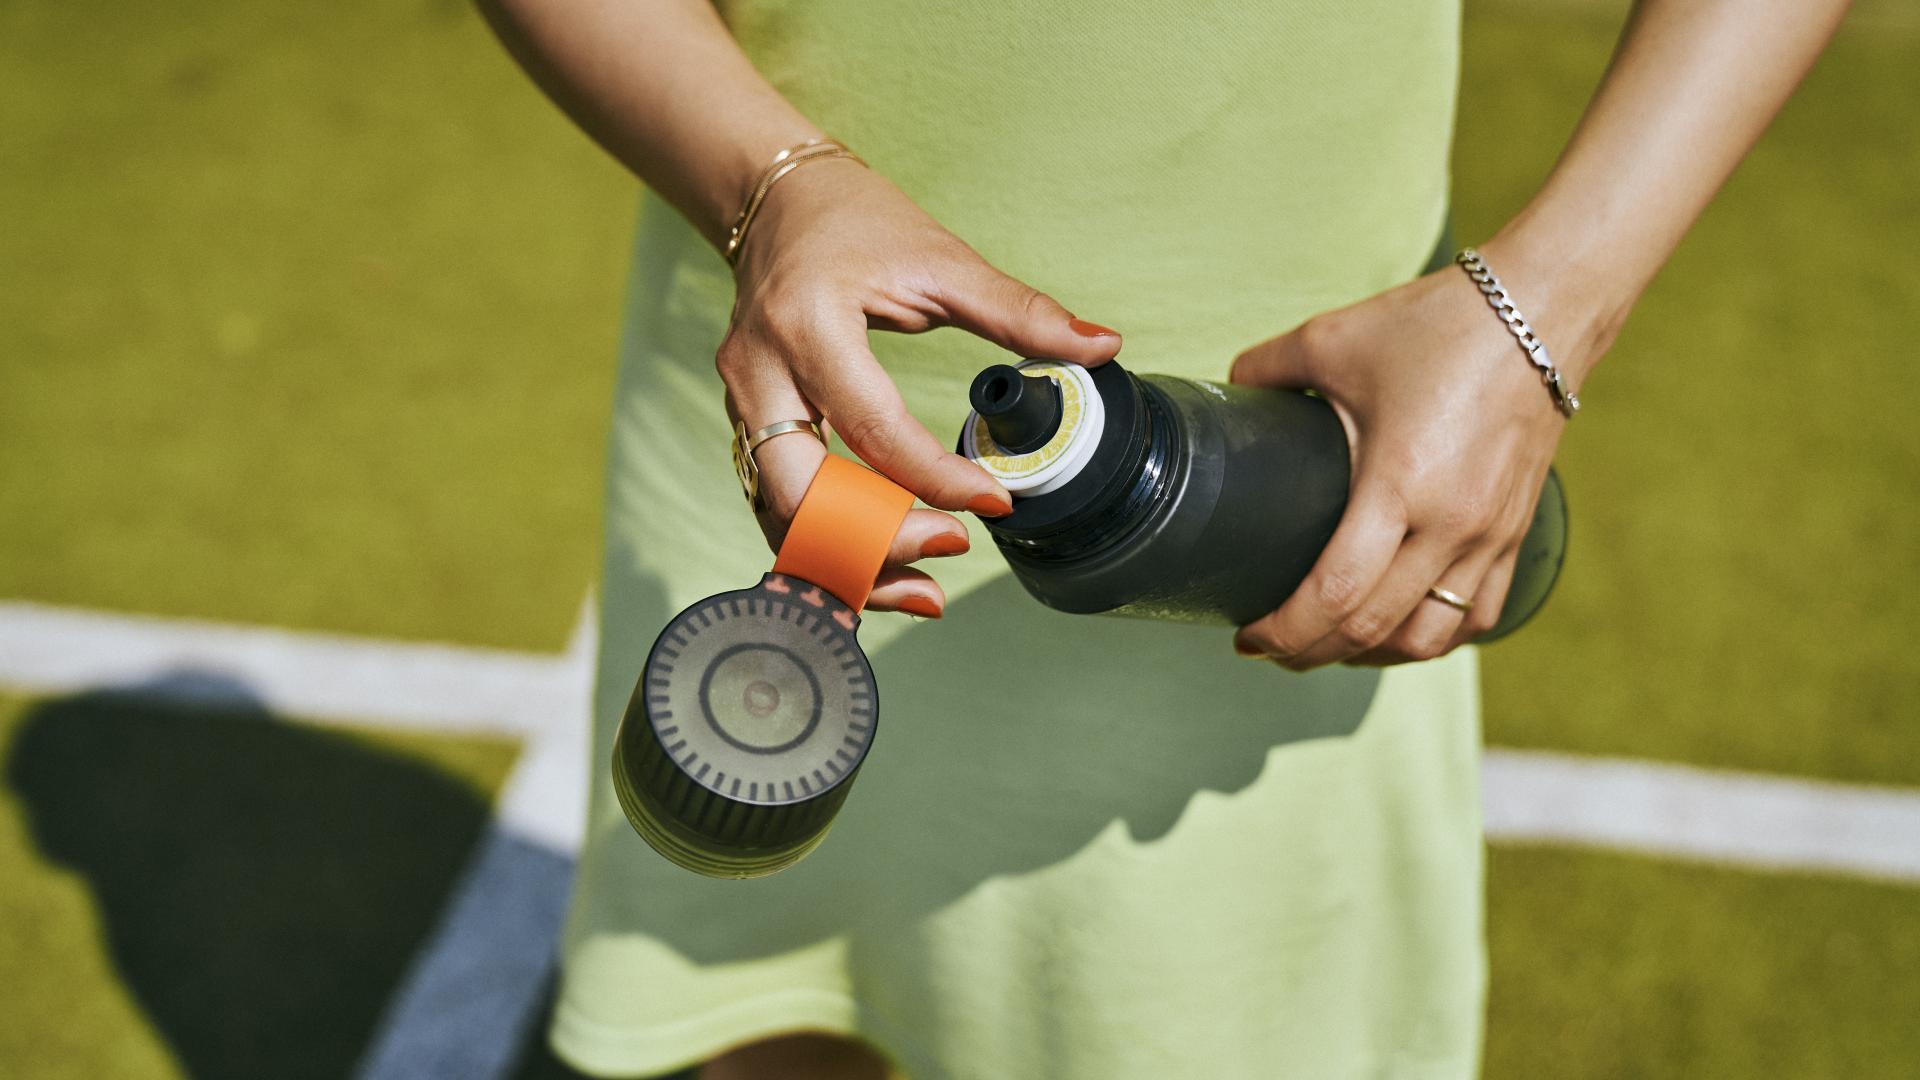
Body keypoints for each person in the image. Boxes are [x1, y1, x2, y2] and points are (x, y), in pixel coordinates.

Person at [478, 1, 1849, 1076]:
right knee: (785, 1013)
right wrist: (768, 191)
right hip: (789, 402)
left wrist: (1541, 319)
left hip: (1301, 478)